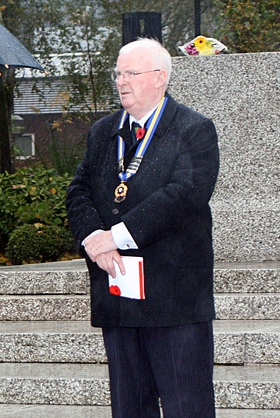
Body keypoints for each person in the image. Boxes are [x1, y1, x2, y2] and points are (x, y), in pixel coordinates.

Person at [66, 38, 219, 417]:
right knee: (129, 407)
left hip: (174, 301)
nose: (121, 81)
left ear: (160, 78)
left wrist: (114, 236)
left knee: (187, 407)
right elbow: (78, 190)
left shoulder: (194, 129)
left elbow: (184, 196)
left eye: (131, 73)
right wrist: (93, 241)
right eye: (118, 73)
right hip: (118, 294)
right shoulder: (103, 132)